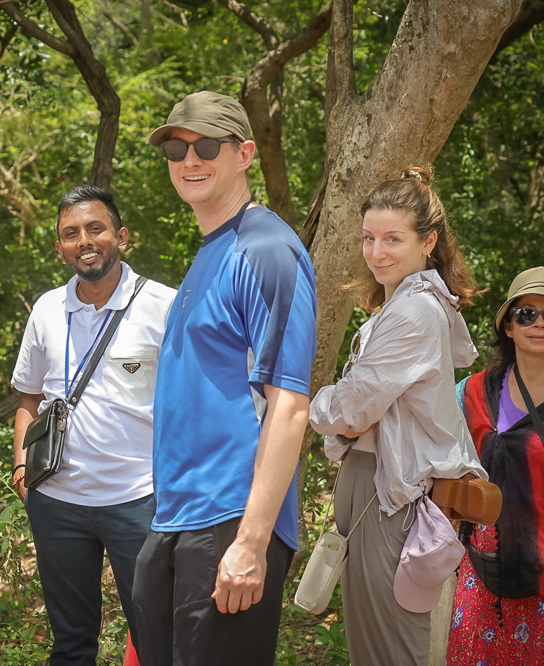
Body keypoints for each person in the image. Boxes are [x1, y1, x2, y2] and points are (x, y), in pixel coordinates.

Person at [131, 90, 317, 666]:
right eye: (176, 149)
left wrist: (252, 542)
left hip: (230, 519)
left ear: (245, 154)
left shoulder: (265, 250)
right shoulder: (211, 250)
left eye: (207, 145)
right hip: (178, 516)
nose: (189, 160)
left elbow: (289, 407)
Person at [308, 166, 485, 665]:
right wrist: (344, 414)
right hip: (371, 482)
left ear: (428, 242)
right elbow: (355, 414)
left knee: (390, 648)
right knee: (371, 643)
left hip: (388, 495)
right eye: (368, 238)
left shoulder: (413, 313)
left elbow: (351, 408)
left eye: (393, 239)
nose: (376, 252)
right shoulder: (394, 309)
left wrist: (312, 403)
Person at [12, 185, 176, 665]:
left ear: (121, 236)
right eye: (71, 233)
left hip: (139, 500)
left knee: (156, 637)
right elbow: (28, 397)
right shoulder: (46, 309)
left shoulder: (164, 306)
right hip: (57, 502)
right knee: (71, 642)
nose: (84, 240)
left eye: (95, 228)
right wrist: (23, 469)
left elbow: (190, 402)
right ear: (60, 247)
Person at [447, 267, 544, 665]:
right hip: (483, 575)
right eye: (526, 313)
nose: (539, 323)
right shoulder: (471, 394)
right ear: (508, 326)